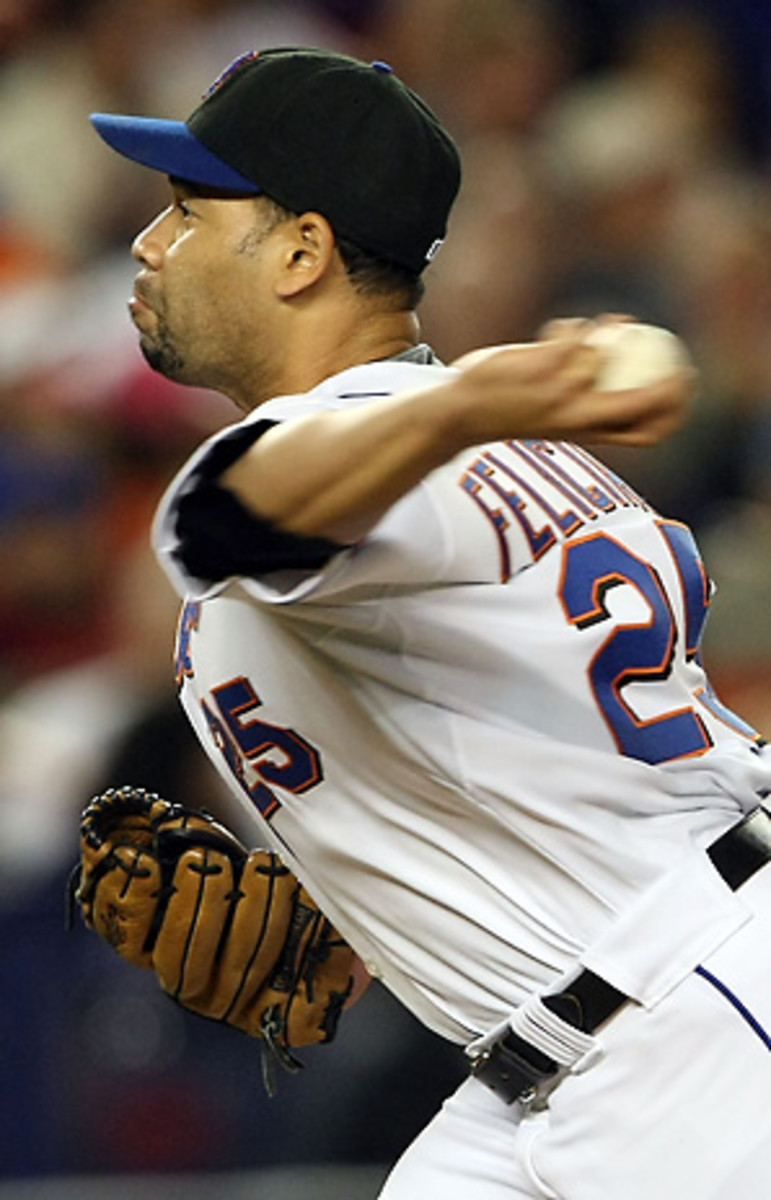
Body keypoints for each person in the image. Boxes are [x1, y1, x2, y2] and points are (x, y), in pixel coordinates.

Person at [88, 47, 771, 1200]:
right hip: (567, 1040)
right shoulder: (498, 449)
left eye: (188, 211)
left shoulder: (385, 436)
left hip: (693, 1024)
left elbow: (231, 520)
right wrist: (382, 900)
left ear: (301, 251)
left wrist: (478, 394)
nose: (152, 245)